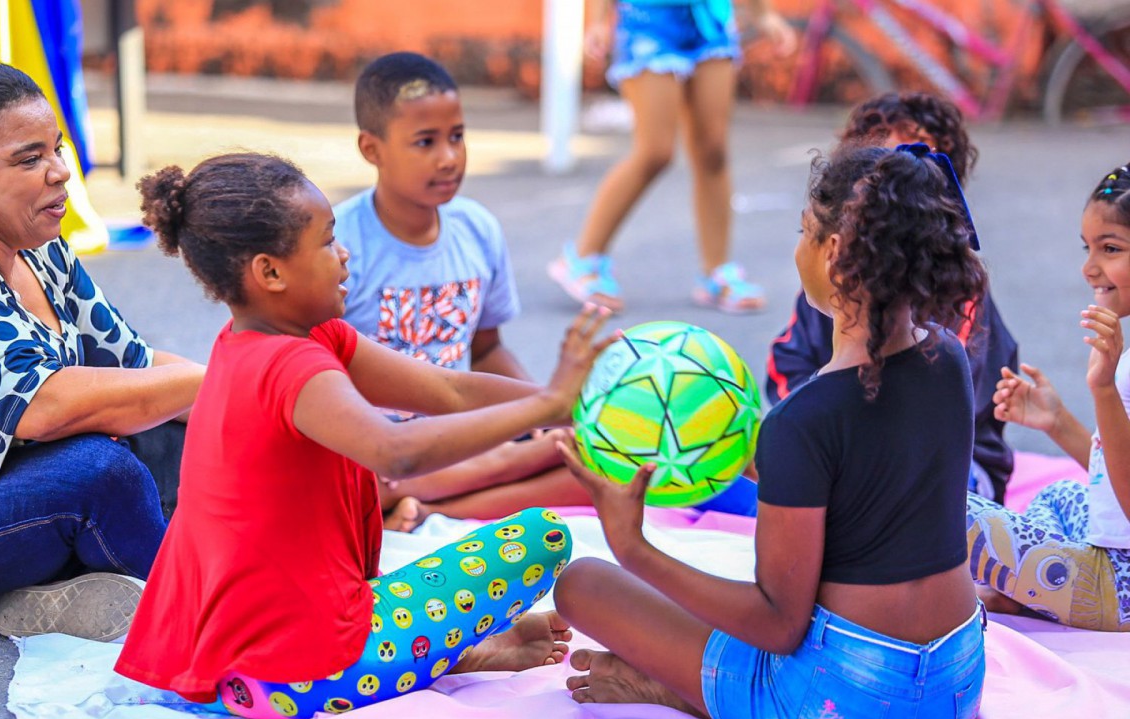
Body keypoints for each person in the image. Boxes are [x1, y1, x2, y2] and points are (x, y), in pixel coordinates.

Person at [114, 153, 616, 719]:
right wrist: (549, 403)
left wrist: (573, 405)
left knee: (410, 582)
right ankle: (440, 652)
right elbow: (396, 450)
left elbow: (446, 390)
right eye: (328, 243)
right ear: (269, 272)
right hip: (299, 673)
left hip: (228, 668)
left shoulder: (262, 343)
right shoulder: (292, 365)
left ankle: (441, 650)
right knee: (540, 538)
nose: (345, 255)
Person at [552, 143, 988, 719]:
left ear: (834, 253)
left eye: (805, 231)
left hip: (846, 715)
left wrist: (633, 546)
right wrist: (759, 464)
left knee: (583, 584)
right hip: (957, 686)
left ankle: (676, 692)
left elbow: (778, 626)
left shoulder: (802, 421)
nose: (796, 248)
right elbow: (875, 493)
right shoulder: (949, 359)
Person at [0, 62, 204, 641]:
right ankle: (198, 612)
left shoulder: (40, 248)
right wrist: (227, 379)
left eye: (57, 149)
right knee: (98, 472)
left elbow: (135, 367)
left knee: (188, 435)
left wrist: (261, 397)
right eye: (29, 160)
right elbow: (44, 406)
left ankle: (77, 585)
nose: (60, 173)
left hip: (4, 495)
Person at [338, 51, 589, 527]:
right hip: (378, 449)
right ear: (372, 149)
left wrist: (539, 413)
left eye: (457, 137)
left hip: (464, 434)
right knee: (359, 479)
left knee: (592, 464)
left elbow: (487, 347)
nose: (449, 158)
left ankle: (430, 510)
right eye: (425, 142)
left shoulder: (477, 229)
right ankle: (447, 486)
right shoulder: (341, 245)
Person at [767, 91, 1019, 504]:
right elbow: (788, 361)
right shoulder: (823, 283)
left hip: (960, 471)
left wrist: (809, 432)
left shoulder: (954, 305)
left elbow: (935, 424)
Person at [548, 0, 796, 314]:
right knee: (655, 152)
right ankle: (583, 259)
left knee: (713, 152)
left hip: (709, 20)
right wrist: (598, 20)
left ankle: (716, 272)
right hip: (647, 20)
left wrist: (764, 15)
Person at [967, 161, 1130, 632]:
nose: (1089, 267)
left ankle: (1013, 595)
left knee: (951, 510)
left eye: (1111, 248)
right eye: (1089, 248)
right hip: (1109, 560)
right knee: (1059, 494)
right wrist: (1057, 423)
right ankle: (1019, 593)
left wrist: (1102, 390)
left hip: (1118, 587)